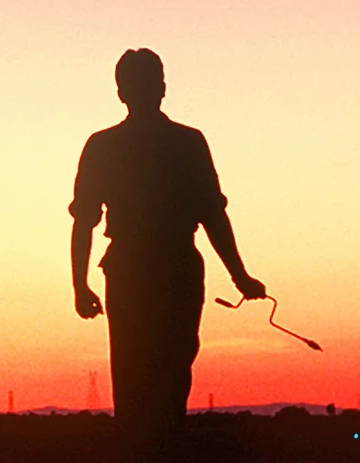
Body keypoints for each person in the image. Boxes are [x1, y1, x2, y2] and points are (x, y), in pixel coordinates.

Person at [70, 48, 264, 439]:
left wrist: (80, 285)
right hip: (165, 269)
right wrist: (239, 275)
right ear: (160, 88)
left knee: (136, 368)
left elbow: (84, 222)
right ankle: (156, 454)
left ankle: (147, 458)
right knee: (168, 369)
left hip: (141, 270)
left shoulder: (107, 146)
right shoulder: (185, 143)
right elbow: (213, 215)